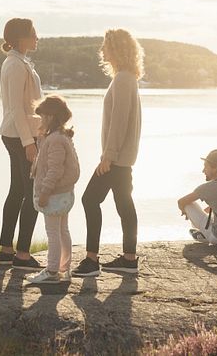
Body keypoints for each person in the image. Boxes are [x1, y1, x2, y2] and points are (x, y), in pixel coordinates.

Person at [73, 29, 144, 277]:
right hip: (121, 158)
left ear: (116, 49)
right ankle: (129, 259)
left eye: (106, 46)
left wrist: (108, 156)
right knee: (124, 204)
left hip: (116, 158)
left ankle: (92, 261)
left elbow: (119, 121)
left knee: (90, 200)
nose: (102, 50)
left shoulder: (124, 79)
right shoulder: (126, 78)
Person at [0, 17, 44, 270]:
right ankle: (23, 254)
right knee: (33, 194)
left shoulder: (19, 61)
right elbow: (16, 107)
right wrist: (29, 142)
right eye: (33, 32)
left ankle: (6, 249)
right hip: (20, 136)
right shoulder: (15, 65)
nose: (37, 36)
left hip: (18, 134)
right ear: (21, 37)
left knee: (17, 190)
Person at [26, 95, 80, 284]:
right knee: (63, 230)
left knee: (53, 233)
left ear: (50, 117)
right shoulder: (59, 136)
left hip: (54, 194)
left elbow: (55, 169)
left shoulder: (55, 140)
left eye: (42, 117)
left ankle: (51, 270)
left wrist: (45, 192)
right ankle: (64, 268)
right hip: (64, 193)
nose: (40, 120)